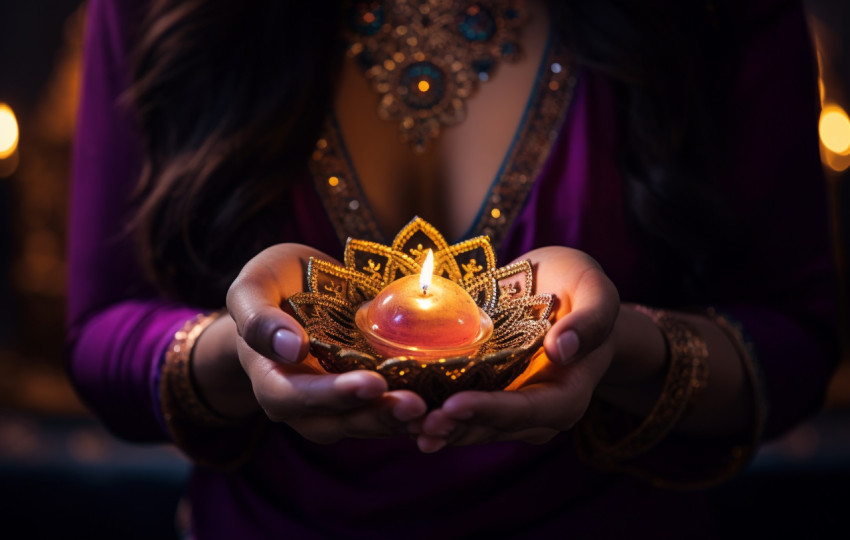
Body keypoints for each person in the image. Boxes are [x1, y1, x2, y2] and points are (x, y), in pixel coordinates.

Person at [67, 0, 839, 538]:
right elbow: (100, 334)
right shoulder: (169, 10)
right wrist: (238, 353)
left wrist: (628, 349)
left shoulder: (713, 11)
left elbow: (796, 341)